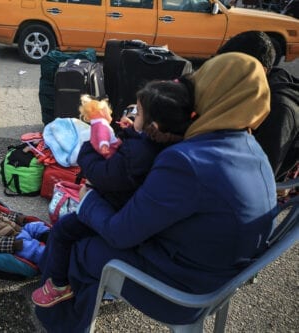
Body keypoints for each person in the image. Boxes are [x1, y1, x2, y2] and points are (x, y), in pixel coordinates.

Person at [33, 52, 278, 331]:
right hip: (218, 279)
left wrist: (87, 201)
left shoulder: (187, 161)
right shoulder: (249, 146)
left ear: (213, 90)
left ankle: (59, 321)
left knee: (81, 246)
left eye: (203, 78)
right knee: (89, 224)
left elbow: (119, 232)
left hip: (182, 294)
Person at [31, 77, 196, 307]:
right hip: (131, 209)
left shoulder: (139, 154)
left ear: (153, 128)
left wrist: (95, 134)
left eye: (137, 113)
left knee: (63, 230)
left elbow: (101, 173)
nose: (132, 115)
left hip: (112, 207)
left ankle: (59, 285)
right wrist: (132, 132)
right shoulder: (166, 145)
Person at [216, 31, 299, 183]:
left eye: (230, 69)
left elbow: (260, 176)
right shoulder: (252, 88)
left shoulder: (279, 109)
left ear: (257, 69)